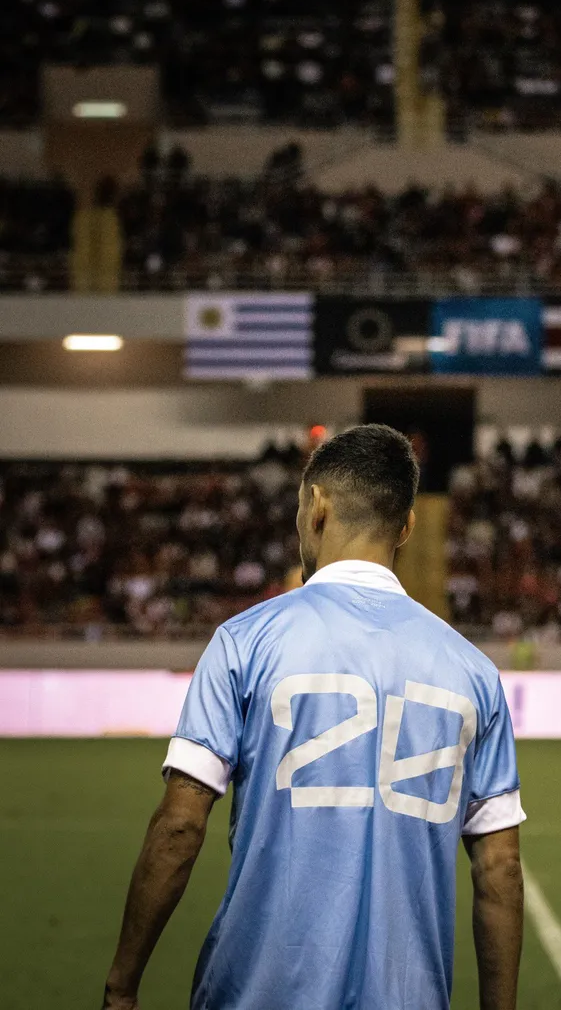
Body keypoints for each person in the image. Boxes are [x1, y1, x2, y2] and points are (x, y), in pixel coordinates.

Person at [102, 425, 526, 1010]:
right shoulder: (473, 672)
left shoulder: (244, 642)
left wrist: (122, 985)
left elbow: (179, 826)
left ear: (317, 507)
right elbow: (500, 869)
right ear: (406, 527)